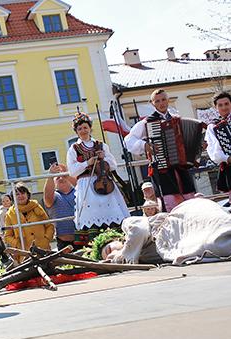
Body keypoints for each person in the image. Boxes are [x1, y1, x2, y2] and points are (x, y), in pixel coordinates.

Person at [89, 198, 231, 265]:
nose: (111, 254)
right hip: (179, 243)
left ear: (115, 240)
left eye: (109, 250)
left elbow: (139, 230)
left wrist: (122, 254)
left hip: (177, 223)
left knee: (218, 223)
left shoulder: (128, 226)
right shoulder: (140, 257)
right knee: (213, 244)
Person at [125, 89, 197, 211]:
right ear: (152, 103)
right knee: (169, 199)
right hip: (161, 166)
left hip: (180, 165)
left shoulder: (177, 119)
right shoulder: (147, 122)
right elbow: (128, 140)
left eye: (163, 99)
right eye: (157, 101)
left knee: (188, 195)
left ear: (168, 100)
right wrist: (144, 145)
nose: (161, 103)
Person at [67, 112, 130, 240]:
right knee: (92, 215)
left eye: (85, 127)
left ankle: (117, 240)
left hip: (105, 183)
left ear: (90, 128)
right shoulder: (74, 148)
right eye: (80, 129)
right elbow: (72, 171)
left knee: (111, 212)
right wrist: (86, 163)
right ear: (76, 131)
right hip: (86, 185)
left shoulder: (101, 145)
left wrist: (103, 158)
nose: (83, 130)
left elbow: (113, 165)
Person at [4, 182, 54, 256]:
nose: (20, 196)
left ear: (27, 194)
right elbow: (7, 236)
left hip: (43, 249)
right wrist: (18, 244)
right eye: (17, 194)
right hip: (24, 253)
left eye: (23, 193)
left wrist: (46, 239)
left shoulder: (36, 206)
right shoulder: (10, 213)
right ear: (13, 197)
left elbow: (49, 226)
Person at [43, 163, 77, 250]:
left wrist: (67, 174)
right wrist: (50, 175)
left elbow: (83, 187)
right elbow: (47, 197)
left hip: (83, 237)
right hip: (64, 242)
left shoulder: (78, 191)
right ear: (54, 183)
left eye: (63, 176)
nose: (61, 178)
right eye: (58, 177)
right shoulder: (55, 195)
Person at [205, 91, 231, 202]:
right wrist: (227, 158)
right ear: (216, 107)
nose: (224, 107)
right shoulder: (212, 126)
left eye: (226, 104)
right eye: (220, 105)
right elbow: (213, 150)